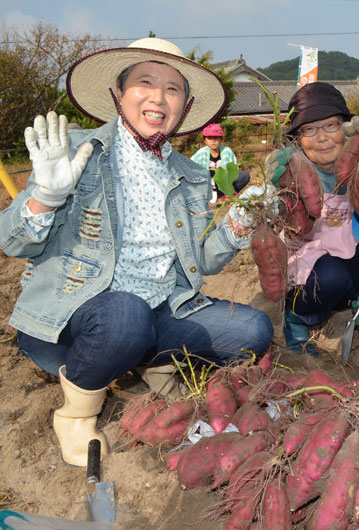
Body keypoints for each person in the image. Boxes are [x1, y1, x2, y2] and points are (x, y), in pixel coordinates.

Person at [0, 38, 274, 467]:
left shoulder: (190, 175)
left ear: (185, 105)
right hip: (72, 320)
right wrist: (45, 198)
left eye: (173, 88)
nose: (158, 97)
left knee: (254, 331)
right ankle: (76, 414)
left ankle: (136, 359)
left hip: (159, 311)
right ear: (118, 94)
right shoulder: (78, 153)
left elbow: (201, 261)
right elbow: (13, 241)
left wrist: (238, 225)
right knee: (126, 316)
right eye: (145, 82)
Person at [264, 82, 359, 356]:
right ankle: (296, 316)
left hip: (353, 254)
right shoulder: (291, 172)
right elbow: (271, 208)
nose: (321, 137)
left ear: (346, 127)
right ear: (297, 137)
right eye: (309, 129)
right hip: (312, 270)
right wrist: (273, 184)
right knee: (332, 275)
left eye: (331, 125)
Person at [191, 123, 251, 202]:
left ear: (221, 139)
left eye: (216, 138)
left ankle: (225, 196)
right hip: (207, 186)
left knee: (245, 175)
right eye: (209, 138)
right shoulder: (201, 153)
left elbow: (234, 169)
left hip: (225, 184)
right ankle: (218, 197)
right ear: (205, 141)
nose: (213, 141)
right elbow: (190, 168)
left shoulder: (227, 151)